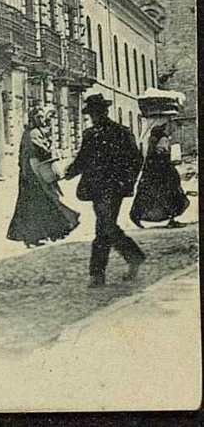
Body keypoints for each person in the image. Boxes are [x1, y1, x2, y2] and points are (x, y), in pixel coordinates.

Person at [64, 93, 145, 288]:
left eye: (97, 112)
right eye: (92, 113)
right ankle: (133, 257)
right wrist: (68, 173)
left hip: (114, 188)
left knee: (104, 226)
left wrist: (127, 182)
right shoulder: (90, 134)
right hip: (96, 189)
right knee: (107, 226)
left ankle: (97, 274)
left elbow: (136, 160)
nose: (95, 116)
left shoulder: (121, 133)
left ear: (105, 111)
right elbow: (83, 159)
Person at [7, 105, 79, 248]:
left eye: (42, 116)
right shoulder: (32, 133)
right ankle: (41, 235)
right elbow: (41, 151)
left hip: (34, 173)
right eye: (38, 117)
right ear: (33, 118)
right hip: (33, 174)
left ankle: (43, 234)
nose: (41, 119)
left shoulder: (33, 132)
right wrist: (49, 148)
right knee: (40, 204)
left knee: (41, 204)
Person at [130, 120, 189, 229]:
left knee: (151, 195)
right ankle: (171, 219)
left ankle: (136, 214)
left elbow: (153, 155)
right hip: (163, 171)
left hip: (154, 171)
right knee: (169, 194)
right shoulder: (162, 139)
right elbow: (162, 154)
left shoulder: (152, 140)